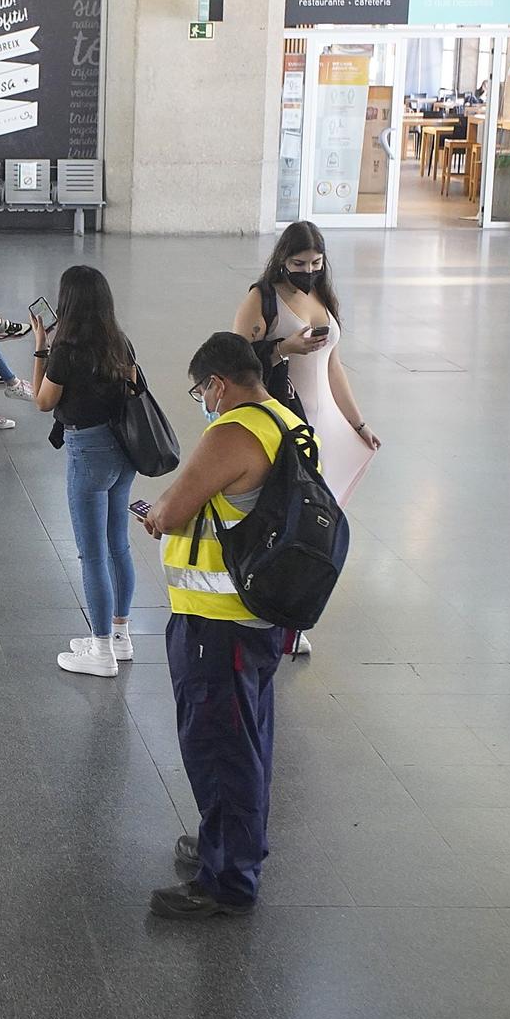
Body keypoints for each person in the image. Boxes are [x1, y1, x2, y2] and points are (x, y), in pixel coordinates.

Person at [139, 333, 308, 919]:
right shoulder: (287, 421)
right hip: (261, 614)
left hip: (219, 622)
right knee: (250, 735)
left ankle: (228, 879)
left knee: (220, 747)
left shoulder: (233, 431)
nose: (203, 404)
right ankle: (235, 843)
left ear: (218, 383)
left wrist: (156, 512)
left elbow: (172, 510)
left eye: (200, 392)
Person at [233, 220, 382, 657]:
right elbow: (236, 361)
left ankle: (293, 619)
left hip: (324, 426)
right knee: (284, 523)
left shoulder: (322, 295)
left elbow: (334, 366)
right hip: (283, 424)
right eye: (299, 263)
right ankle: (269, 612)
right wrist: (283, 349)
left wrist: (358, 424)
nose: (309, 270)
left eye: (316, 263)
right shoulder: (261, 299)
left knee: (316, 529)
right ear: (282, 258)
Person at [32, 266, 142, 678]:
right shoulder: (120, 343)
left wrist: (40, 348)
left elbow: (43, 402)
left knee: (91, 552)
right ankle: (120, 636)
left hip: (87, 453)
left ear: (68, 303)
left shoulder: (67, 350)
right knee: (118, 545)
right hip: (123, 451)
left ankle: (99, 651)